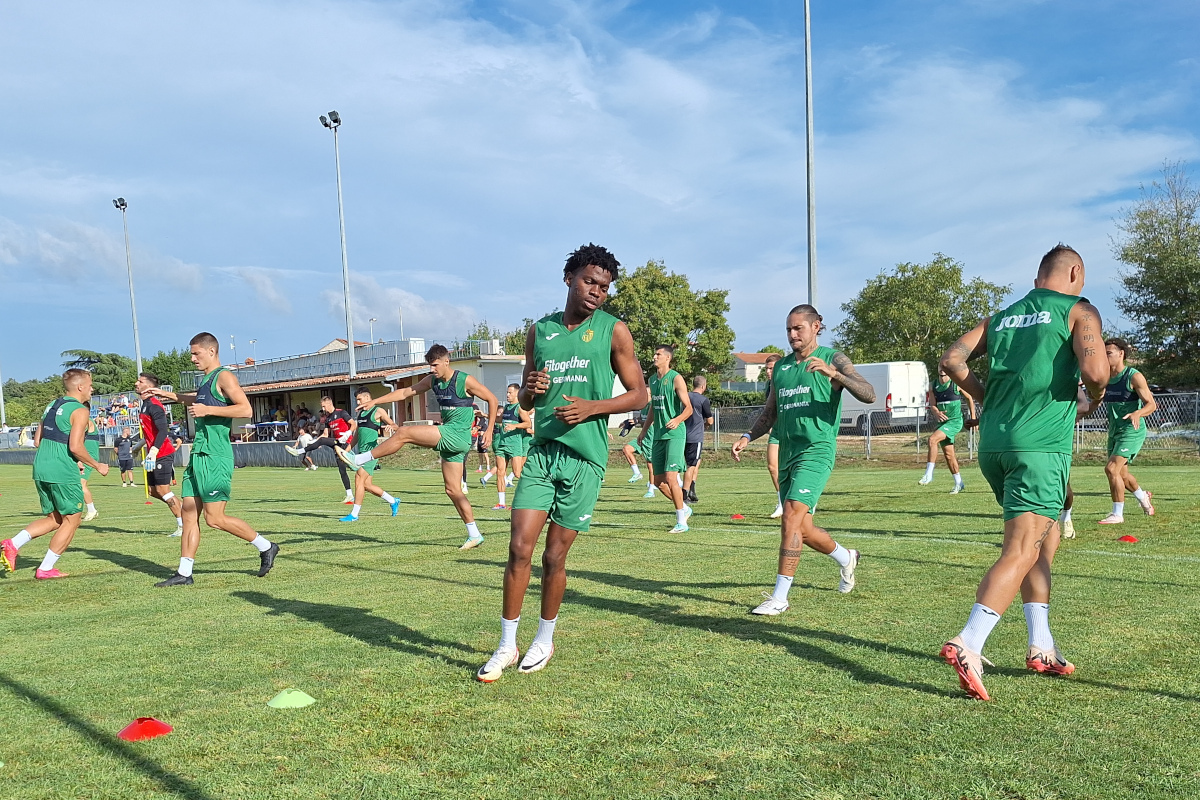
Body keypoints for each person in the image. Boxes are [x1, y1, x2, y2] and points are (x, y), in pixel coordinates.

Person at [938, 244, 1108, 700]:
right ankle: (969, 642)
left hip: (995, 446)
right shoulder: (1079, 310)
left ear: (1038, 279)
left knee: (1043, 540)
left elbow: (952, 360)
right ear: (1075, 272)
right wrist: (1095, 390)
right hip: (1039, 449)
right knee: (1021, 548)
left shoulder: (1004, 316)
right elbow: (1095, 371)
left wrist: (987, 396)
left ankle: (1041, 645)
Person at [474, 243, 645, 682]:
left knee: (553, 557)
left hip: (586, 461)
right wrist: (529, 389)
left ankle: (544, 638)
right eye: (590, 282)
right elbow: (530, 398)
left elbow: (639, 394)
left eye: (604, 287)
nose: (596, 292)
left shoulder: (614, 331)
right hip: (543, 453)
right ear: (569, 278)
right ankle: (506, 646)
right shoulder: (540, 331)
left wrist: (593, 407)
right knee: (518, 550)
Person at [732, 305, 873, 615]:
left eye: (799, 328)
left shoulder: (832, 357)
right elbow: (770, 413)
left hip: (817, 450)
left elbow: (869, 393)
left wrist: (835, 374)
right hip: (788, 453)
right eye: (788, 330)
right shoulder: (781, 368)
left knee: (791, 516)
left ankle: (780, 597)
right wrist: (747, 436)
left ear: (816, 326)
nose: (793, 334)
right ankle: (846, 558)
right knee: (802, 528)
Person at [146, 332, 279, 587]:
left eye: (196, 353)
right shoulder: (207, 380)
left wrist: (208, 410)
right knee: (188, 514)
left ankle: (266, 546)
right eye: (192, 354)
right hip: (198, 455)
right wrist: (172, 397)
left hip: (215, 456)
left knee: (215, 519)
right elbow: (198, 400)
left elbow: (245, 409)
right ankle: (184, 573)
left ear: (211, 351)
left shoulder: (224, 376)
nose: (193, 358)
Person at [338, 344, 498, 549]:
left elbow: (492, 399)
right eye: (430, 365)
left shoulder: (464, 380)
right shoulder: (432, 380)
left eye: (435, 365)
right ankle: (474, 534)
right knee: (453, 490)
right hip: (451, 438)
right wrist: (374, 402)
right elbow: (405, 392)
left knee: (404, 432)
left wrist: (490, 429)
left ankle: (359, 459)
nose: (432, 369)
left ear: (446, 361)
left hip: (457, 435)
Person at [2, 369, 109, 579]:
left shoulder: (51, 405)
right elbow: (76, 446)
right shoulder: (80, 410)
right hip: (61, 469)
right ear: (80, 387)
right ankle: (46, 568)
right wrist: (96, 465)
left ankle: (12, 544)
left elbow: (37, 441)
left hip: (41, 466)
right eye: (90, 384)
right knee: (72, 519)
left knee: (55, 519)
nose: (92, 388)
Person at [1098, 338, 1156, 524]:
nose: (1105, 357)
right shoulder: (1104, 377)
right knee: (1121, 475)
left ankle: (1117, 514)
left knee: (1111, 469)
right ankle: (1143, 498)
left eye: (1109, 353)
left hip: (1132, 430)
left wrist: (1138, 413)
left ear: (1121, 353)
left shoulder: (1133, 376)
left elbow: (1152, 404)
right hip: (1115, 431)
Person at [637, 345, 694, 533]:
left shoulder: (676, 378)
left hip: (675, 435)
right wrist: (644, 431)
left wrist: (677, 420)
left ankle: (681, 522)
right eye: (655, 353)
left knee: (671, 477)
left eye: (658, 354)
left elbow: (688, 408)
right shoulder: (652, 380)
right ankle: (685, 508)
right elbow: (653, 407)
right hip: (658, 436)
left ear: (667, 358)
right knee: (659, 482)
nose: (654, 356)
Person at [133, 372, 186, 535]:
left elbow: (163, 431)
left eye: (140, 381)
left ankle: (183, 526)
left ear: (148, 387)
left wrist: (153, 452)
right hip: (154, 453)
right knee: (153, 491)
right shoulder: (144, 404)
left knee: (163, 490)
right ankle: (186, 508)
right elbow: (151, 433)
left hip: (162, 453)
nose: (136, 383)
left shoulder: (154, 405)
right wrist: (137, 447)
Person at [339, 387, 403, 522]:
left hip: (372, 453)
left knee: (358, 478)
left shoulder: (378, 411)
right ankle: (393, 501)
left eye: (359, 399)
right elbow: (357, 436)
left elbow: (395, 425)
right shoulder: (360, 414)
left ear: (367, 398)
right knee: (366, 485)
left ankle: (354, 514)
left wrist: (392, 427)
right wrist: (346, 450)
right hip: (361, 453)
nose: (357, 402)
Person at [285, 396, 355, 504]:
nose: (322, 409)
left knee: (347, 468)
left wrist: (348, 433)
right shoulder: (328, 418)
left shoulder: (342, 413)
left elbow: (354, 424)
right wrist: (315, 442)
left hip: (346, 442)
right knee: (342, 470)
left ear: (329, 404)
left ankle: (298, 452)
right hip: (337, 443)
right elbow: (325, 435)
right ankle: (350, 495)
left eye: (323, 406)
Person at [919, 367, 977, 493]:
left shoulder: (957, 383)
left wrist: (973, 417)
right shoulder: (933, 385)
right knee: (949, 455)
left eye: (944, 367)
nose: (941, 369)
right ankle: (959, 483)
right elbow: (933, 405)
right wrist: (936, 412)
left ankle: (929, 474)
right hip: (943, 423)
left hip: (955, 421)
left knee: (932, 440)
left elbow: (969, 399)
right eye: (939, 366)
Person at [482, 384, 533, 510]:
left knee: (517, 473)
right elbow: (499, 419)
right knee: (500, 473)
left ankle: (528, 497)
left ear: (517, 393)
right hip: (502, 444)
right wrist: (484, 415)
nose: (507, 395)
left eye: (510, 393)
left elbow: (528, 423)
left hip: (515, 445)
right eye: (507, 392)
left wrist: (514, 426)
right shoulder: (506, 407)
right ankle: (501, 503)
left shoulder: (520, 408)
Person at [619, 387, 656, 495]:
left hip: (651, 438)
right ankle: (637, 473)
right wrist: (631, 421)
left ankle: (651, 490)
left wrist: (640, 422)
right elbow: (641, 420)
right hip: (642, 437)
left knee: (651, 465)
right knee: (627, 449)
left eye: (646, 393)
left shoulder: (653, 405)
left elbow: (651, 422)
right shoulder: (644, 406)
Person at [683, 375, 714, 503]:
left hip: (683, 434)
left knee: (696, 462)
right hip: (695, 437)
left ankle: (692, 489)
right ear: (703, 386)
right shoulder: (703, 400)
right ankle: (685, 493)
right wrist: (705, 425)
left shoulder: (685, 396)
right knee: (691, 466)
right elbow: (710, 421)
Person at [762, 353, 784, 518]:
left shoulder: (787, 381)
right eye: (767, 369)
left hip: (790, 430)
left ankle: (804, 500)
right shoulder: (768, 386)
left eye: (771, 368)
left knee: (791, 468)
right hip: (776, 430)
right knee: (772, 466)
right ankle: (781, 501)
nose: (768, 372)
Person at [78, 409, 104, 522]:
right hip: (84, 456)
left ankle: (91, 510)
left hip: (87, 458)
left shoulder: (87, 421)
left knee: (81, 484)